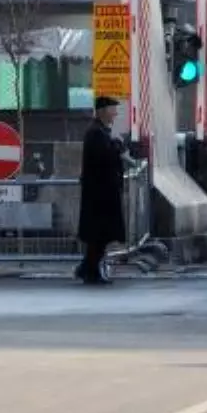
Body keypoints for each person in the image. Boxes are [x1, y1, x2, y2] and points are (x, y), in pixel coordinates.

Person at [75, 97, 127, 285]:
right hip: (99, 196)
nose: (115, 114)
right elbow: (105, 157)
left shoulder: (101, 132)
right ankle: (88, 270)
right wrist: (118, 146)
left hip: (103, 193)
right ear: (103, 111)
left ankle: (88, 269)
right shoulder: (96, 133)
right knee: (98, 236)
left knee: (100, 237)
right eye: (113, 109)